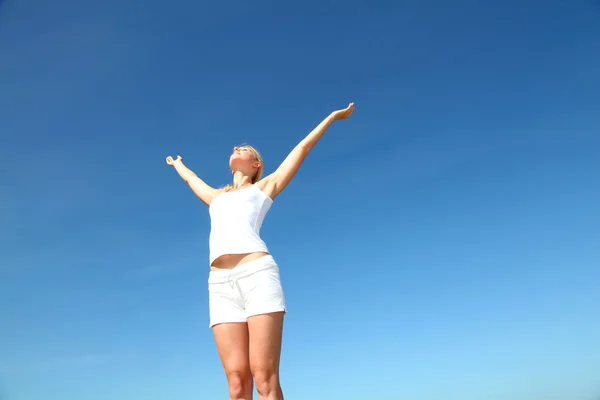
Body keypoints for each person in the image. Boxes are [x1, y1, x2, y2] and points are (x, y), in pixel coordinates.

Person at [165, 102, 355, 400]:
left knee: (264, 378)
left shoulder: (264, 188)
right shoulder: (216, 198)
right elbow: (192, 179)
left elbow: (302, 148)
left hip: (257, 275)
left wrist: (331, 118)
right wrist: (178, 165)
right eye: (236, 148)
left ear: (256, 165)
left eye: (245, 149)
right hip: (219, 285)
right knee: (237, 381)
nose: (237, 147)